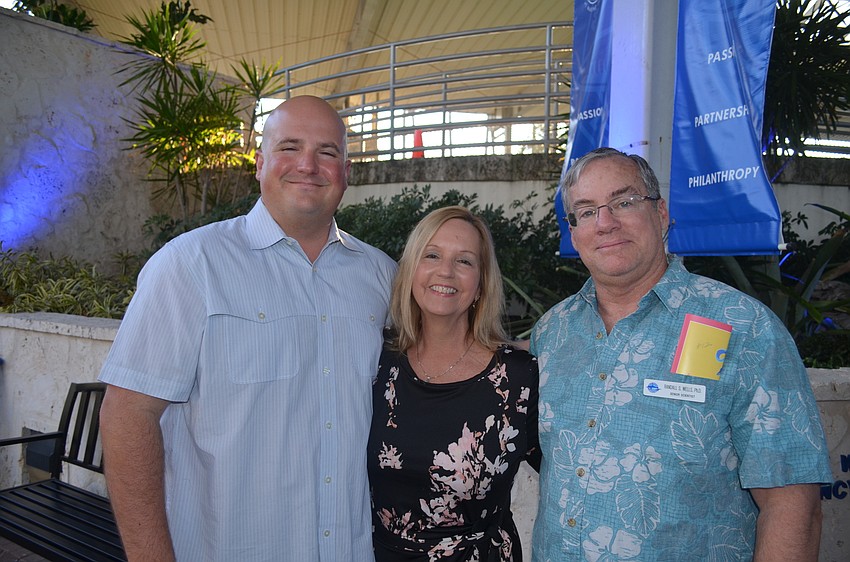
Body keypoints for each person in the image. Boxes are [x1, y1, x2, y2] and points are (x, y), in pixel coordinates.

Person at [98, 95, 397, 562]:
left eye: (327, 152)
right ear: (258, 164)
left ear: (347, 170)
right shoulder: (190, 265)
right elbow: (127, 415)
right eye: (289, 147)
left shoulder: (381, 276)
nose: (308, 165)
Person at [530, 147, 833, 561]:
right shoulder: (552, 332)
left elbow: (792, 506)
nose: (605, 223)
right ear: (574, 231)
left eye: (624, 202)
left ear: (661, 212)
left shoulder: (743, 329)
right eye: (586, 211)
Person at [368, 206, 541, 561]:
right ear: (411, 270)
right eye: (431, 255)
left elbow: (570, 470)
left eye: (464, 261)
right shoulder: (377, 360)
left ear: (481, 283)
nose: (445, 271)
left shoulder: (518, 377)